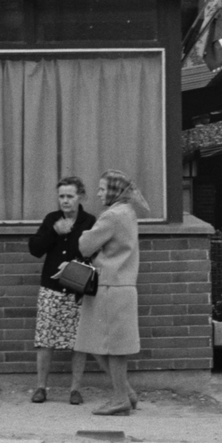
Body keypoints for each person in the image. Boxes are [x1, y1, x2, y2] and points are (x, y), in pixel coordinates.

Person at [75, 169, 149, 415]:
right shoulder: (127, 212)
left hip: (109, 286)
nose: (98, 193)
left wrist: (82, 232)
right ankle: (126, 392)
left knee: (109, 347)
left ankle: (121, 398)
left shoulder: (112, 215)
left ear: (114, 191)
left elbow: (85, 246)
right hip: (121, 285)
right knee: (104, 344)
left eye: (102, 188)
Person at [26, 176, 95, 403]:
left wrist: (75, 266)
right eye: (61, 196)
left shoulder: (89, 222)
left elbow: (95, 254)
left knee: (79, 341)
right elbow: (35, 249)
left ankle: (75, 389)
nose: (65, 201)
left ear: (80, 197)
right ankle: (40, 387)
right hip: (51, 288)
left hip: (77, 290)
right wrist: (54, 231)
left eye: (70, 196)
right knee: (45, 338)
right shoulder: (51, 219)